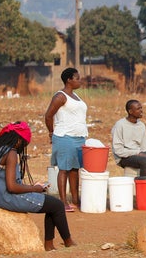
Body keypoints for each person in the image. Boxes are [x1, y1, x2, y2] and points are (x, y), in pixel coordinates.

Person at [0, 122, 76, 251]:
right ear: (18, 141)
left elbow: (6, 182)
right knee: (56, 205)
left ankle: (50, 245)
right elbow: (12, 187)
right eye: (24, 144)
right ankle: (67, 242)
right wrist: (35, 189)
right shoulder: (11, 153)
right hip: (9, 198)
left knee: (51, 204)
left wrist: (31, 186)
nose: (22, 148)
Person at [44, 67, 87, 212]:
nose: (79, 80)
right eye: (77, 78)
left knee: (75, 169)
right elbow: (48, 116)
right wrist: (51, 132)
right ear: (69, 80)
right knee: (64, 169)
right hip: (65, 137)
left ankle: (75, 200)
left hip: (79, 137)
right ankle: (62, 202)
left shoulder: (76, 97)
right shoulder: (60, 96)